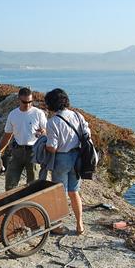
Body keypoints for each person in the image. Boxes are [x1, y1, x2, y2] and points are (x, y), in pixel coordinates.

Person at [44, 88, 89, 235]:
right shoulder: (77, 115)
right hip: (78, 158)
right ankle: (79, 224)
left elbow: (52, 147)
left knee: (60, 194)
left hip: (62, 159)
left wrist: (43, 142)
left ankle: (58, 225)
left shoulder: (52, 122)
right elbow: (87, 134)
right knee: (74, 192)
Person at [0, 87, 47, 190]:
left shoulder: (38, 113)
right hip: (17, 151)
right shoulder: (13, 114)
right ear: (18, 100)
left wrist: (43, 132)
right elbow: (7, 135)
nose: (28, 104)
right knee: (10, 184)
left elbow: (46, 130)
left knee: (33, 184)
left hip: (34, 152)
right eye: (24, 102)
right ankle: (12, 205)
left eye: (30, 102)